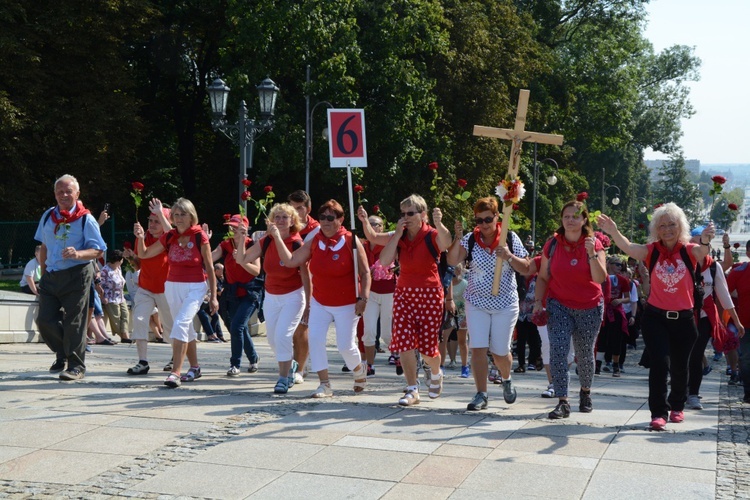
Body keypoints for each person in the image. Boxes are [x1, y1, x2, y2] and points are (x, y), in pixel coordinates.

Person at [597, 203, 713, 430]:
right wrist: (613, 231)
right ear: (656, 230)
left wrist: (707, 240)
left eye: (672, 224)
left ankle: (677, 405)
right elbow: (629, 247)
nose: (667, 229)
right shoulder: (653, 251)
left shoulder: (689, 250)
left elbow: (703, 253)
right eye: (662, 225)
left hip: (684, 318)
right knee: (659, 363)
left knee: (680, 366)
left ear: (680, 226)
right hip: (655, 317)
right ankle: (659, 413)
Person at [269, 199, 370, 397]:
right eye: (322, 217)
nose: (325, 221)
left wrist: (363, 298)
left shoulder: (351, 240)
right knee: (315, 340)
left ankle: (359, 371)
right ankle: (325, 384)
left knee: (345, 346)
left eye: (330, 217)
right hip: (320, 301)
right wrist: (277, 238)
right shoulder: (315, 241)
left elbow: (366, 273)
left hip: (347, 303)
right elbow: (291, 261)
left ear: (340, 220)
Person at [448, 196, 528, 411]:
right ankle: (481, 394)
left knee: (500, 352)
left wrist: (509, 256)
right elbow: (451, 260)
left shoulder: (509, 237)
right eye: (479, 220)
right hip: (477, 302)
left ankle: (506, 377)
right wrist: (456, 237)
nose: (483, 225)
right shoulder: (470, 239)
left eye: (487, 219)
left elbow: (527, 268)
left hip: (505, 303)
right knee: (478, 348)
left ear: (496, 216)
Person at [531, 200, 607, 419]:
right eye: (566, 216)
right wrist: (538, 301)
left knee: (584, 354)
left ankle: (585, 392)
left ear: (584, 220)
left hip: (589, 306)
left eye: (575, 216)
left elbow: (599, 278)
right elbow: (543, 276)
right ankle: (563, 401)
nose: (570, 220)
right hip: (559, 305)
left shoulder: (594, 244)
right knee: (558, 349)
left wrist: (592, 253)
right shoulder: (552, 244)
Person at [134, 197, 217, 388]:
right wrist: (139, 238)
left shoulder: (199, 236)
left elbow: (210, 268)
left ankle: (175, 372)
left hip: (195, 286)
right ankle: (195, 367)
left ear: (191, 217)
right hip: (172, 286)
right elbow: (144, 254)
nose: (179, 218)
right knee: (185, 327)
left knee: (180, 323)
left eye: (183, 215)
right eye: (176, 215)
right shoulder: (170, 236)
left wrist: (213, 297)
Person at [378, 194, 451, 406]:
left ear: (423, 215)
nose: (406, 217)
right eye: (403, 214)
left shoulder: (431, 234)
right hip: (404, 294)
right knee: (404, 342)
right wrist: (397, 234)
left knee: (428, 350)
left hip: (429, 295)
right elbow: (384, 261)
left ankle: (436, 372)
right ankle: (412, 389)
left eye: (411, 213)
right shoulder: (399, 237)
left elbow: (446, 243)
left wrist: (439, 223)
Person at [34, 174, 107, 380]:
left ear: (77, 193)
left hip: (78, 274)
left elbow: (98, 250)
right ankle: (62, 351)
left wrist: (78, 254)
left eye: (68, 191)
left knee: (74, 321)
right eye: (60, 191)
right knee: (44, 321)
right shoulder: (49, 215)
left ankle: (76, 366)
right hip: (51, 274)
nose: (64, 195)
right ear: (55, 194)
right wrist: (43, 273)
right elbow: (45, 246)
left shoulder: (86, 219)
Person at [236, 203, 310, 393]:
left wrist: (309, 304)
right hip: (271, 295)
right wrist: (241, 239)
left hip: (293, 295)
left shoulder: (296, 243)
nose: (280, 221)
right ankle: (291, 365)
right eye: (276, 217)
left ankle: (283, 378)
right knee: (272, 340)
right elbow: (241, 260)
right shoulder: (266, 241)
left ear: (292, 221)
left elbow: (298, 270)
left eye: (285, 217)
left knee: (283, 335)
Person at [687, 246, 743, 409]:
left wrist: (736, 321)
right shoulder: (683, 263)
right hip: (684, 315)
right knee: (683, 354)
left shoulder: (713, 267)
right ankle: (681, 390)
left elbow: (724, 295)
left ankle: (693, 394)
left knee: (696, 354)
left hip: (705, 316)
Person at [123, 200, 173, 375]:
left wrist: (161, 213)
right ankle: (142, 361)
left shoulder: (170, 238)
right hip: (145, 287)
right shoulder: (144, 237)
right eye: (150, 220)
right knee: (139, 319)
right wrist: (131, 257)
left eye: (157, 220)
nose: (152, 224)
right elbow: (139, 264)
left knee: (169, 325)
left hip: (166, 289)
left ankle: (176, 358)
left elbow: (171, 234)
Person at [210, 214, 262, 374]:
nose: (232, 229)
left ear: (244, 229)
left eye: (236, 227)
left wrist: (242, 260)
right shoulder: (226, 244)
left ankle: (235, 364)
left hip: (250, 292)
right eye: (231, 226)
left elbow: (257, 270)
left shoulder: (252, 244)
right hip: (232, 293)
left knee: (237, 326)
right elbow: (209, 258)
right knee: (239, 328)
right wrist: (203, 242)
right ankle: (253, 359)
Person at [357, 210, 397, 375]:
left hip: (389, 291)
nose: (374, 227)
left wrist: (388, 269)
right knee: (369, 331)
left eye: (377, 224)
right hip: (370, 292)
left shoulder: (390, 243)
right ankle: (369, 365)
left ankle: (398, 354)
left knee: (388, 332)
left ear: (383, 228)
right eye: (371, 223)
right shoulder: (361, 245)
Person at [287, 190, 321, 383]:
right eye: (292, 207)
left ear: (308, 208)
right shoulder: (285, 225)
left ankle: (299, 368)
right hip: (288, 283)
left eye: (300, 208)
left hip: (311, 282)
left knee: (302, 327)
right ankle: (297, 362)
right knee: (289, 330)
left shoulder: (317, 229)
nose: (296, 212)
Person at [723, 240, 750, 404]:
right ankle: (748, 391)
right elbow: (724, 295)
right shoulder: (739, 272)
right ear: (748, 252)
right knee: (746, 359)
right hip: (745, 325)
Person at [595, 257, 631, 377]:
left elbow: (628, 297)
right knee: (601, 338)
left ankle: (616, 366)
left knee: (617, 339)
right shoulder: (601, 278)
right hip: (603, 311)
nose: (619, 267)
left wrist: (620, 300)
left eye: (621, 265)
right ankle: (598, 364)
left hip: (616, 312)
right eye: (617, 264)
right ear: (609, 264)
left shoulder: (623, 280)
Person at [100, 249, 131, 343]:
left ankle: (125, 335)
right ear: (118, 260)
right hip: (110, 297)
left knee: (125, 314)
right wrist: (102, 297)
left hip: (121, 296)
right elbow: (101, 285)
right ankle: (122, 335)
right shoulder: (105, 271)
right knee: (116, 317)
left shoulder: (118, 268)